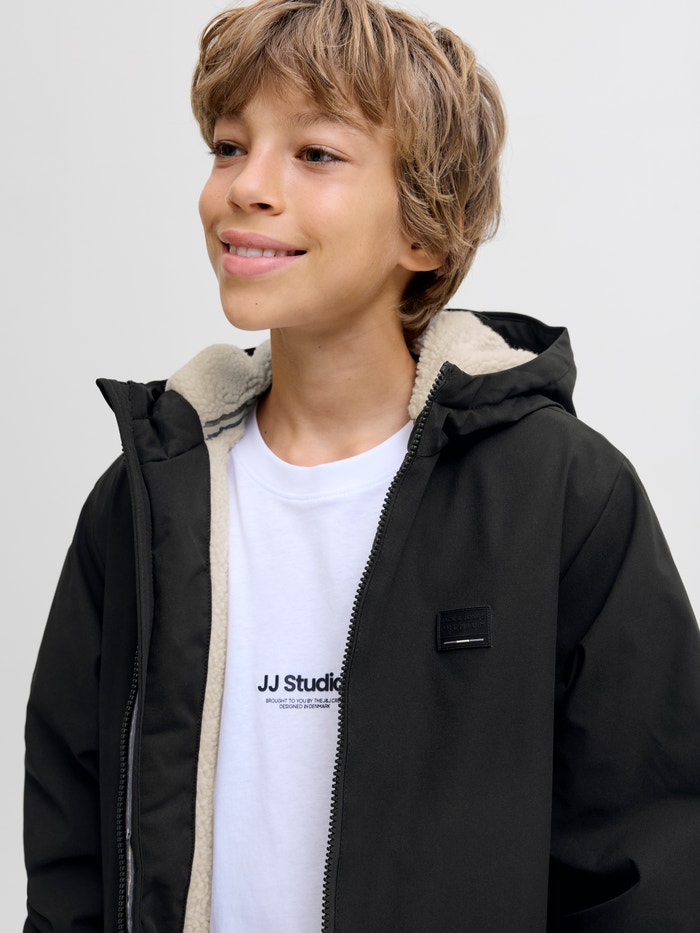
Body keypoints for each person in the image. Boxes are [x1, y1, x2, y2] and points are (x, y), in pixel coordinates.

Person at [23, 0, 700, 929]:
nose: (247, 186)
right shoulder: (146, 499)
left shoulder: (563, 495)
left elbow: (647, 860)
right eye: (229, 146)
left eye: (315, 153)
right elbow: (73, 841)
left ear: (424, 228)